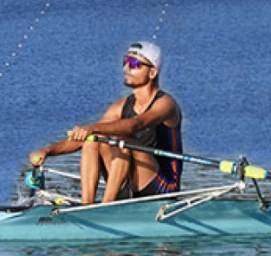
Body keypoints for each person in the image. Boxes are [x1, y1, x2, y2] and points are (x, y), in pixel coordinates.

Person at [29, 41, 182, 204]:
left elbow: (135, 125)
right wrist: (47, 151)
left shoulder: (165, 104)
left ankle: (106, 205)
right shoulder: (120, 106)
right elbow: (78, 140)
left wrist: (92, 128)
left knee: (119, 138)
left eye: (134, 64)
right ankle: (86, 205)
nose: (126, 68)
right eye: (125, 62)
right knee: (92, 140)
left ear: (152, 72)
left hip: (162, 187)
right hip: (129, 179)